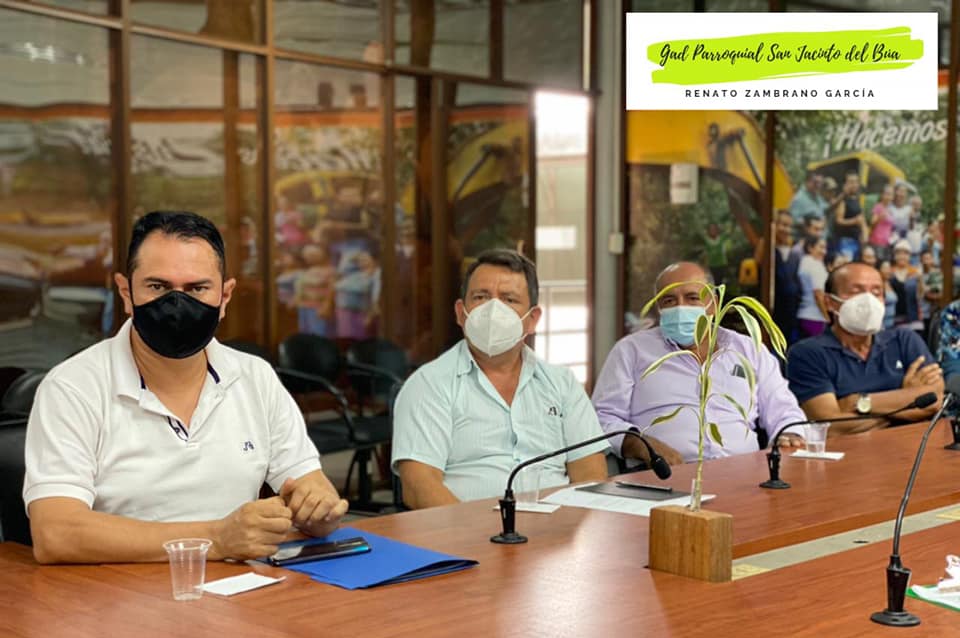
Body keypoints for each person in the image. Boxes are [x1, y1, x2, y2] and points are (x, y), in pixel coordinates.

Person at [23, 211, 348, 564]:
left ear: (225, 296)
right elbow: (56, 533)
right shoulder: (73, 387)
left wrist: (319, 509)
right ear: (126, 293)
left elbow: (310, 487)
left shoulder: (255, 377)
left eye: (197, 289)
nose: (177, 305)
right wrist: (216, 539)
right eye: (158, 287)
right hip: (117, 591)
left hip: (237, 588)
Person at [391, 249, 606, 508]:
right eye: (481, 297)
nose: (493, 310)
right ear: (461, 313)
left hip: (557, 526)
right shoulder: (428, 384)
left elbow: (590, 476)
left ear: (532, 319)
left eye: (509, 299)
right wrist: (478, 531)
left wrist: (567, 528)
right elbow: (419, 487)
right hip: (465, 528)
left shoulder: (562, 384)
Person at [591, 262, 806, 467]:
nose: (680, 307)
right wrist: (640, 444)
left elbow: (784, 408)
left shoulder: (749, 350)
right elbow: (602, 418)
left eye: (692, 298)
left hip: (744, 474)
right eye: (669, 300)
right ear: (658, 307)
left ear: (714, 304)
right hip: (662, 476)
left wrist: (789, 434)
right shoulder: (632, 350)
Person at [785, 261, 943, 435]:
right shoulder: (807, 353)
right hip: (847, 451)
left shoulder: (904, 340)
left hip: (912, 445)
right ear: (829, 302)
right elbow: (830, 427)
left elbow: (935, 400)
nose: (868, 300)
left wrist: (858, 402)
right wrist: (905, 400)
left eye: (877, 292)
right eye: (856, 291)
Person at [771, 209, 802, 343]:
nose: (787, 230)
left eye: (790, 226)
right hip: (774, 310)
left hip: (792, 311)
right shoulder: (768, 248)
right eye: (783, 225)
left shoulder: (795, 252)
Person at [795, 233, 830, 338]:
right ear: (810, 247)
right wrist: (827, 318)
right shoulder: (815, 266)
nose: (824, 252)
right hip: (815, 317)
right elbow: (818, 294)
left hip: (804, 315)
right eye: (821, 247)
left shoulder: (804, 262)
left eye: (825, 248)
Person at [889, 240, 924, 333]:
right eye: (898, 253)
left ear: (909, 256)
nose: (902, 256)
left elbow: (921, 295)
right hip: (894, 318)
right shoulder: (889, 272)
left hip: (913, 317)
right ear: (894, 255)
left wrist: (920, 280)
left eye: (905, 253)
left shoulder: (915, 272)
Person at [833, 171, 868, 261]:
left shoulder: (856, 200)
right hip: (845, 241)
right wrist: (854, 221)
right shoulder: (843, 200)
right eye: (851, 182)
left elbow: (862, 220)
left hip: (856, 241)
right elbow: (838, 220)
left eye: (856, 182)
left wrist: (864, 235)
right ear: (845, 184)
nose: (854, 185)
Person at [868, 184, 894, 262]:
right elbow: (872, 222)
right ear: (882, 195)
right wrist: (879, 218)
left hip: (887, 243)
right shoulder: (878, 207)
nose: (888, 197)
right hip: (877, 242)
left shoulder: (890, 209)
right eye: (887, 194)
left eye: (890, 194)